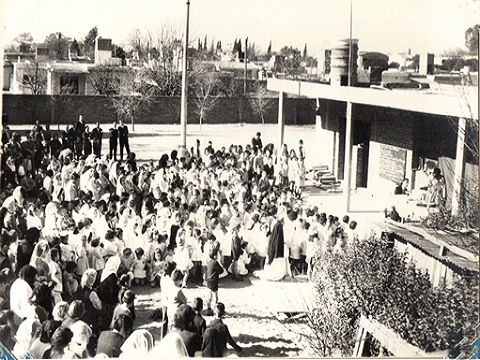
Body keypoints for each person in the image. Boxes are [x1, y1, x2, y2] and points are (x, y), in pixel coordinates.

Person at [205, 247, 223, 316]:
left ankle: (208, 308)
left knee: (209, 296)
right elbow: (221, 271)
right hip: (214, 281)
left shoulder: (208, 262)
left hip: (208, 281)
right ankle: (215, 310)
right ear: (215, 256)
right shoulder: (216, 263)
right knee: (215, 296)